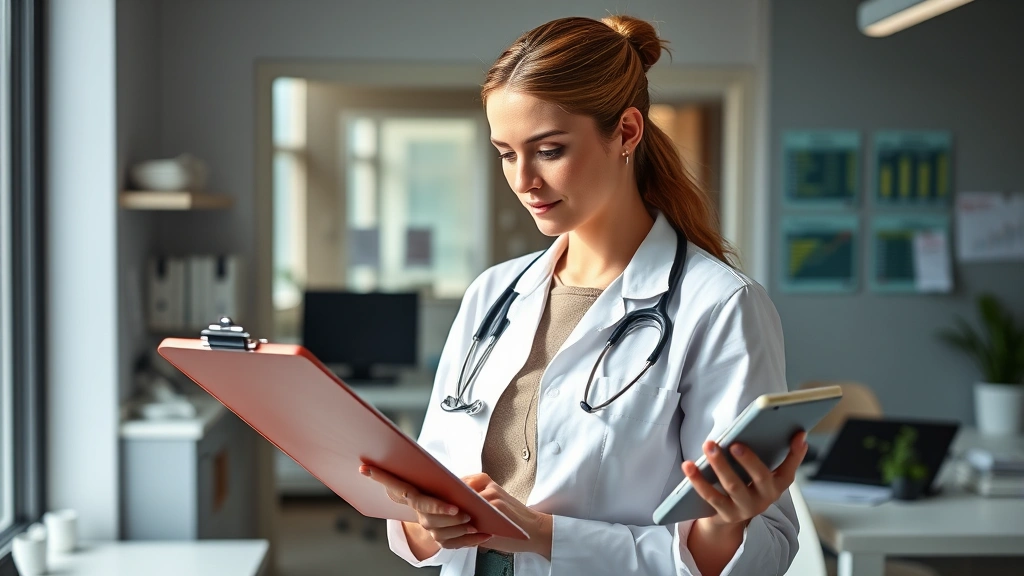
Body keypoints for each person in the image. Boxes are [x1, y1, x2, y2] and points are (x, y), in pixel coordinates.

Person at [360, 14, 806, 576]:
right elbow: (426, 502)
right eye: (505, 153)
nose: (523, 180)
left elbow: (767, 548)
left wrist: (550, 537)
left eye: (548, 150)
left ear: (626, 131)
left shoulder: (718, 306)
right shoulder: (493, 293)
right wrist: (426, 526)